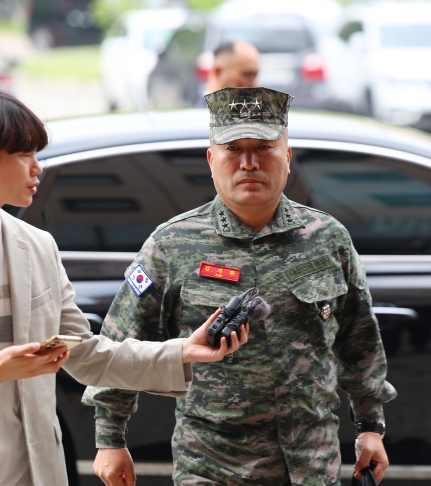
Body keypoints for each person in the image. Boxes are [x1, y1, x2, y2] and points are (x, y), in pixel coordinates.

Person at [0, 89, 248, 486]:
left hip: (31, 473)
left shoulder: (36, 247)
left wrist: (182, 351)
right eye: (23, 155)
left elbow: (84, 354)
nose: (37, 168)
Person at [82, 86, 397, 486]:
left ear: (287, 156)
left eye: (264, 147)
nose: (249, 163)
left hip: (311, 465)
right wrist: (110, 438)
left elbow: (360, 341)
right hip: (213, 465)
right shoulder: (171, 245)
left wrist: (371, 426)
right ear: (212, 160)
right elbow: (121, 345)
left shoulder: (328, 238)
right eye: (234, 150)